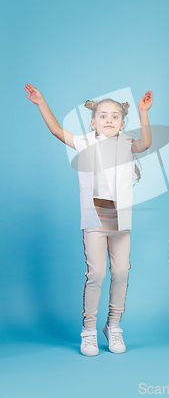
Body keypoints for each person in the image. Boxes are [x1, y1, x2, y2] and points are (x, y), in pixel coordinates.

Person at [25, 84, 153, 355]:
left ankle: (114, 326)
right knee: (96, 273)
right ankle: (89, 330)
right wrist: (40, 103)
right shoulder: (86, 142)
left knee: (121, 272)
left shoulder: (128, 143)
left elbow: (147, 143)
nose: (109, 119)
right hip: (94, 219)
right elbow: (57, 131)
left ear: (122, 123)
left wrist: (144, 113)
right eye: (103, 115)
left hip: (120, 222)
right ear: (93, 122)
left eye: (115, 116)